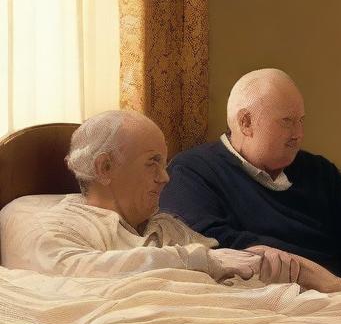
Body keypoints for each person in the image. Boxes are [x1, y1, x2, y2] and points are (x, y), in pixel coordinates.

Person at [159, 68, 341, 294]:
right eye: (287, 121)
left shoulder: (321, 171)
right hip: (265, 297)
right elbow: (208, 245)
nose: (298, 133)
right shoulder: (191, 171)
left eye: (301, 120)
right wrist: (313, 277)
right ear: (245, 122)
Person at [13, 110, 262, 283]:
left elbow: (225, 264)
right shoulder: (54, 227)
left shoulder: (167, 227)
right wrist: (193, 259)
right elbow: (71, 273)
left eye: (164, 164)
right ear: (105, 168)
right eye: (152, 163)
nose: (165, 177)